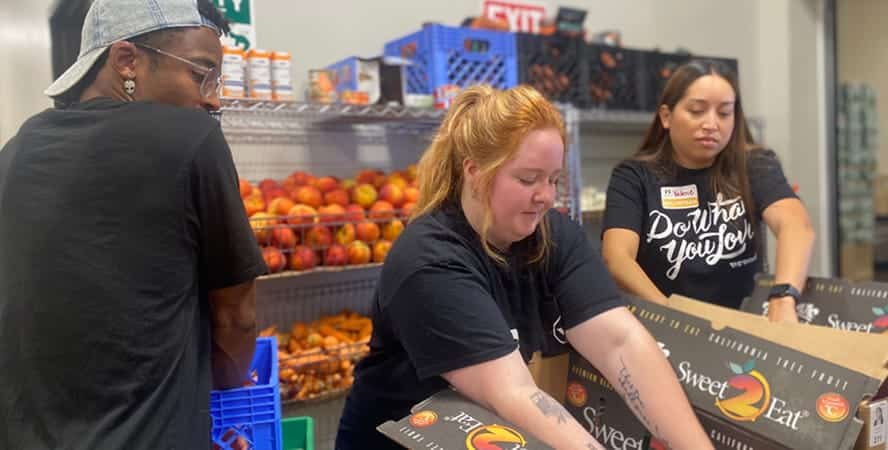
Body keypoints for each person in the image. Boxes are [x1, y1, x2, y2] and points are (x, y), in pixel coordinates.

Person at [335, 85, 714, 450]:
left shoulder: (553, 237)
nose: (546, 196)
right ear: (474, 171)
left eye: (553, 179)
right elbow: (512, 392)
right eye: (528, 179)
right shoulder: (429, 261)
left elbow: (621, 344)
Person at [0, 0, 266, 448]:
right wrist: (230, 382)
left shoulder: (14, 151)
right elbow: (237, 317)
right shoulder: (192, 138)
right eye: (202, 73)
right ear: (127, 60)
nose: (213, 97)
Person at [601, 60, 815, 322]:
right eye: (697, 111)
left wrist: (783, 297)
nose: (711, 124)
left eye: (724, 113)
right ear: (666, 116)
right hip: (665, 325)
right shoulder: (633, 176)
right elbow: (617, 258)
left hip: (744, 325)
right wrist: (671, 314)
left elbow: (796, 225)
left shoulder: (754, 165)